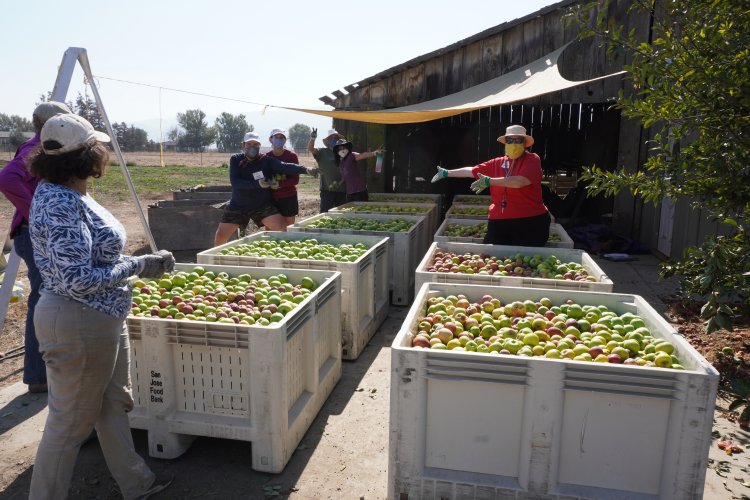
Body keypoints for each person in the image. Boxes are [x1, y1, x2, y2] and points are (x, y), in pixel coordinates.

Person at [27, 113, 174, 499]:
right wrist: (140, 265)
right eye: (99, 147)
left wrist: (130, 267)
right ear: (88, 154)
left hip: (103, 319)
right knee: (69, 424)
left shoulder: (75, 191)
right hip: (77, 321)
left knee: (113, 403)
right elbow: (79, 280)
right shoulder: (58, 201)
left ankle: (136, 483)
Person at [0, 101, 72, 394]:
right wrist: (37, 212)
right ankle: (38, 377)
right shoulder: (37, 147)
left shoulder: (48, 147)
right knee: (43, 303)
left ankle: (45, 373)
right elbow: (6, 178)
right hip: (35, 234)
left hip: (38, 233)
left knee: (49, 300)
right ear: (50, 125)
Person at [431, 124, 551, 246]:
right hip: (499, 220)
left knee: (526, 262)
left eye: (518, 140)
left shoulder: (532, 159)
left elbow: (520, 181)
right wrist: (447, 173)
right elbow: (472, 171)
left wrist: (489, 181)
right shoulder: (497, 162)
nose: (513, 143)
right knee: (493, 257)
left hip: (530, 222)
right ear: (505, 143)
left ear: (525, 143)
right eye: (510, 140)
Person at [214, 131, 318, 245]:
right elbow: (236, 183)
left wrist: (305, 169)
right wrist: (257, 184)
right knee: (220, 236)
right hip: (238, 205)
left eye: (255, 144)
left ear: (259, 146)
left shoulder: (266, 160)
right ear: (243, 145)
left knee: (283, 230)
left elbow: (284, 166)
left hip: (261, 205)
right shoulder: (236, 159)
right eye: (249, 144)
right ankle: (215, 259)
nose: (252, 147)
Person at [332, 138, 385, 203]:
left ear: (347, 148)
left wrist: (374, 153)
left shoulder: (351, 155)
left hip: (359, 192)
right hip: (350, 193)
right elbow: (345, 176)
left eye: (344, 147)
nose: (342, 150)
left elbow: (362, 155)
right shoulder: (341, 162)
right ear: (337, 151)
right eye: (340, 148)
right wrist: (339, 183)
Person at [265, 128, 300, 226]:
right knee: (270, 227)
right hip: (271, 198)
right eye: (276, 137)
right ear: (270, 139)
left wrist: (279, 184)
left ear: (285, 140)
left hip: (288, 197)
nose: (279, 139)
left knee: (288, 226)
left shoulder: (292, 156)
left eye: (281, 137)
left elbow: (295, 179)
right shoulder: (266, 157)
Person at [307, 128, 347, 212]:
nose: (334, 139)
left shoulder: (344, 153)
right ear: (328, 141)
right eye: (331, 138)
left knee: (341, 213)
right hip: (327, 189)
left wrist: (341, 181)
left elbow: (348, 170)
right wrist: (313, 138)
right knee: (325, 212)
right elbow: (311, 149)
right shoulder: (322, 152)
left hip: (342, 188)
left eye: (336, 138)